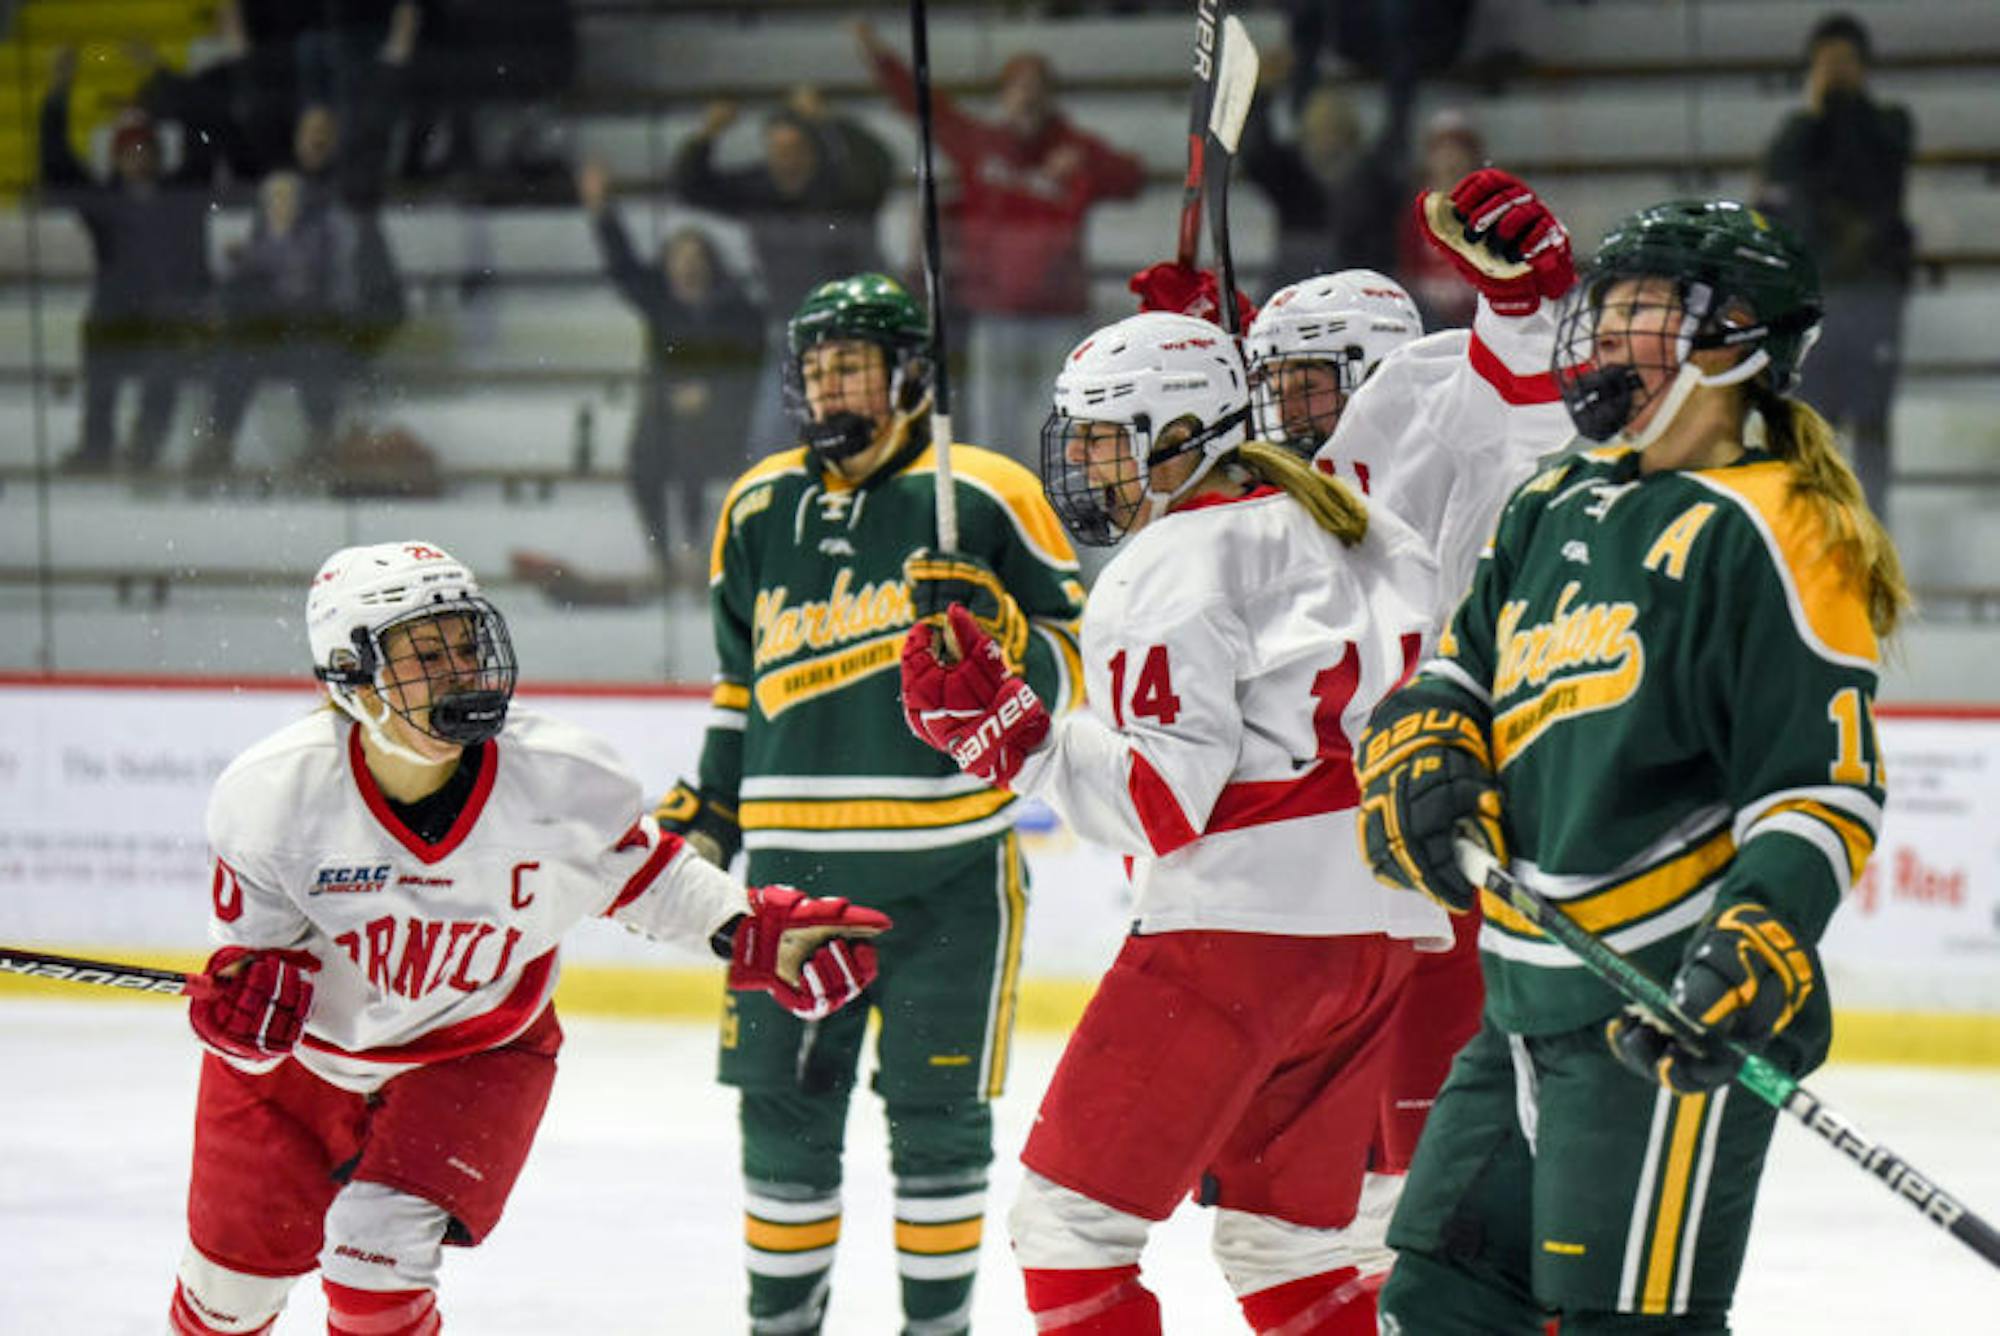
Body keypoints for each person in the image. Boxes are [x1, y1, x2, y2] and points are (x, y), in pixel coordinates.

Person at [1358, 198, 1909, 1333]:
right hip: (1516, 1002)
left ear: (1737, 342)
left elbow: (1820, 783)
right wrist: (1424, 743)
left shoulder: (1777, 525)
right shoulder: (1554, 497)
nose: (1606, 339)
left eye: (1644, 314)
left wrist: (1754, 939)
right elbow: (1458, 674)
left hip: (1655, 1013)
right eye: (1601, 314)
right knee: (1433, 1300)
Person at [165, 539, 890, 1336]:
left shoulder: (558, 780)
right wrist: (240, 1027)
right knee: (228, 1302)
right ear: (350, 672)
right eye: (425, 654)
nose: (460, 673)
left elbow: (650, 876)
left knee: (376, 1266)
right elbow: (251, 996)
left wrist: (752, 931)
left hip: (476, 1049)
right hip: (304, 1066)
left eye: (466, 645)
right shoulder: (273, 798)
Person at [900, 309, 1450, 1335]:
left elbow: (1157, 802)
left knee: (1068, 1231)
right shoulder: (1357, 526)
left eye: (1107, 437)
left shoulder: (1169, 562)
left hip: (1236, 935)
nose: (1087, 465)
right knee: (1285, 1245)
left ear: (1181, 430)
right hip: (1374, 931)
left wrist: (1012, 737)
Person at [655, 272, 1085, 1335]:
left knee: (937, 1120)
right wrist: (708, 813)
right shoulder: (756, 506)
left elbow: (1082, 661)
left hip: (949, 872)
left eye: (850, 361)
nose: (827, 381)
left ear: (908, 376)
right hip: (789, 883)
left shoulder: (981, 493)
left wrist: (1002, 635)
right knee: (782, 1115)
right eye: (814, 365)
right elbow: (737, 686)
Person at [854, 22, 1147, 463]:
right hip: (995, 312)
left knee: (1062, 427)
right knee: (995, 432)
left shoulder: (1076, 150)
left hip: (1059, 313)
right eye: (1017, 87)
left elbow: (1132, 179)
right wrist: (880, 59)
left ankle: (1053, 518)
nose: (1026, 96)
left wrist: (1086, 166)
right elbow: (925, 108)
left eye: (1035, 87)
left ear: (1050, 96)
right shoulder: (980, 145)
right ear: (1003, 95)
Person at [1756, 10, 1915, 523]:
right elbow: (1778, 188)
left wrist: (1841, 107)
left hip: (1870, 295)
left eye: (1845, 62)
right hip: (1814, 300)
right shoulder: (1797, 133)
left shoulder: (1889, 124)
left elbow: (1871, 181)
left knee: (1869, 421)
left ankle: (1875, 529)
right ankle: (1815, 526)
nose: (1837, 71)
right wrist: (1817, 109)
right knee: (1813, 421)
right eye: (1827, 64)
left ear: (1864, 67)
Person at [578, 159, 767, 588]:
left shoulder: (736, 309)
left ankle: (691, 549)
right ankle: (660, 551)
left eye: (694, 257)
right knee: (642, 457)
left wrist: (711, 394)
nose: (685, 266)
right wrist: (602, 211)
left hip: (724, 417)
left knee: (691, 442)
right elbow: (623, 266)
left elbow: (748, 368)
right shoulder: (662, 303)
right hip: (666, 411)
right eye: (678, 258)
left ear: (708, 264)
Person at [670, 90, 894, 450]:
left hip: (849, 331)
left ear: (811, 150)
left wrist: (829, 121)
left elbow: (880, 168)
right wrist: (707, 135)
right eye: (776, 150)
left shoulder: (840, 187)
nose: (783, 159)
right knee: (771, 440)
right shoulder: (760, 189)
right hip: (789, 329)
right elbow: (690, 187)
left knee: (855, 438)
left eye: (792, 149)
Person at [38, 45, 217, 474]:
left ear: (158, 154)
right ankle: (97, 446)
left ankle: (144, 448)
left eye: (144, 149)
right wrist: (59, 92)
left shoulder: (183, 193)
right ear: (116, 158)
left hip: (173, 317)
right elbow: (56, 159)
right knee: (102, 343)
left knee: (167, 363)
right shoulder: (104, 203)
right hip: (120, 317)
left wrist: (163, 78)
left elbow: (204, 132)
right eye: (129, 151)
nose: (138, 157)